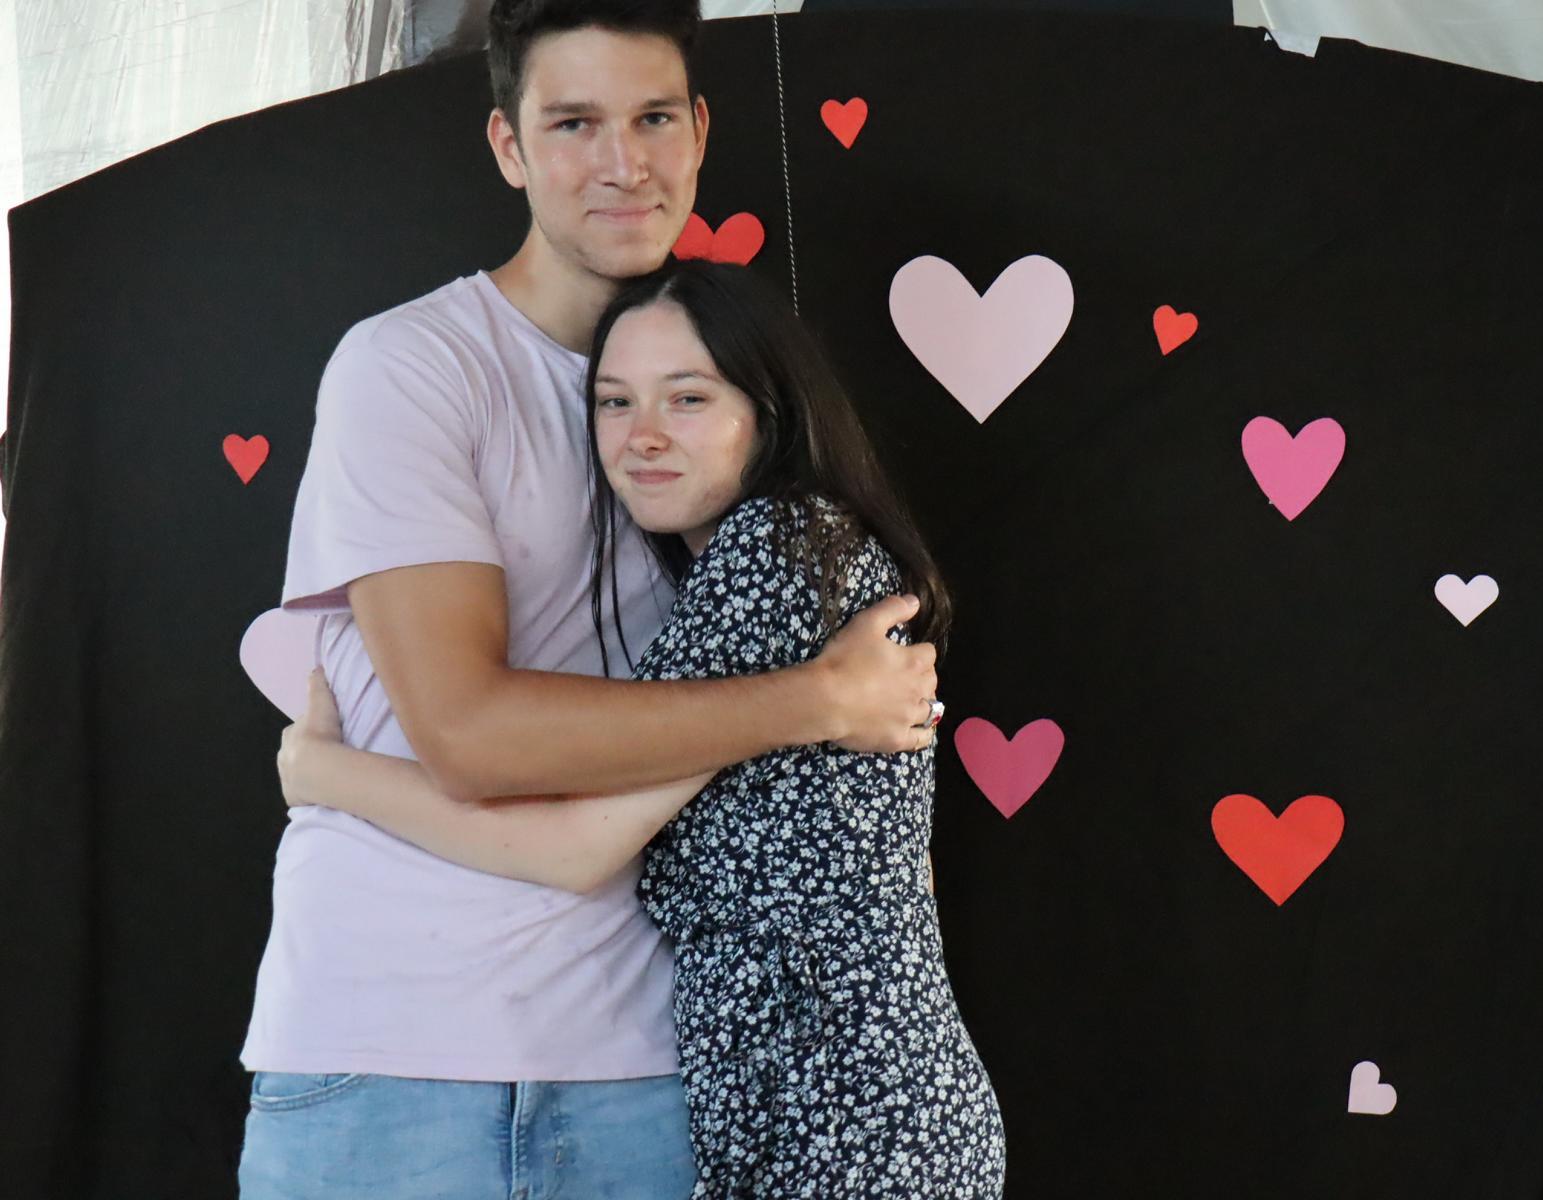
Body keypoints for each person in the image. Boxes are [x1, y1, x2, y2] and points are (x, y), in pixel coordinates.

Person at [237, 3, 938, 1197]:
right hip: (394, 1055)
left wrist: (327, 771)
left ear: (700, 132)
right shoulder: (413, 367)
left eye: (653, 118)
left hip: (650, 1068)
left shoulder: (741, 409)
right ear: (508, 146)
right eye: (573, 124)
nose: (623, 163)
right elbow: (469, 732)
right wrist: (818, 700)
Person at [278, 260, 1006, 1197]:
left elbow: (576, 845)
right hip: (830, 1107)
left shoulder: (779, 553)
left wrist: (327, 774)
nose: (643, 436)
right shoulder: (770, 565)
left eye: (689, 398)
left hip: (851, 1122)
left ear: (771, 413)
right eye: (614, 402)